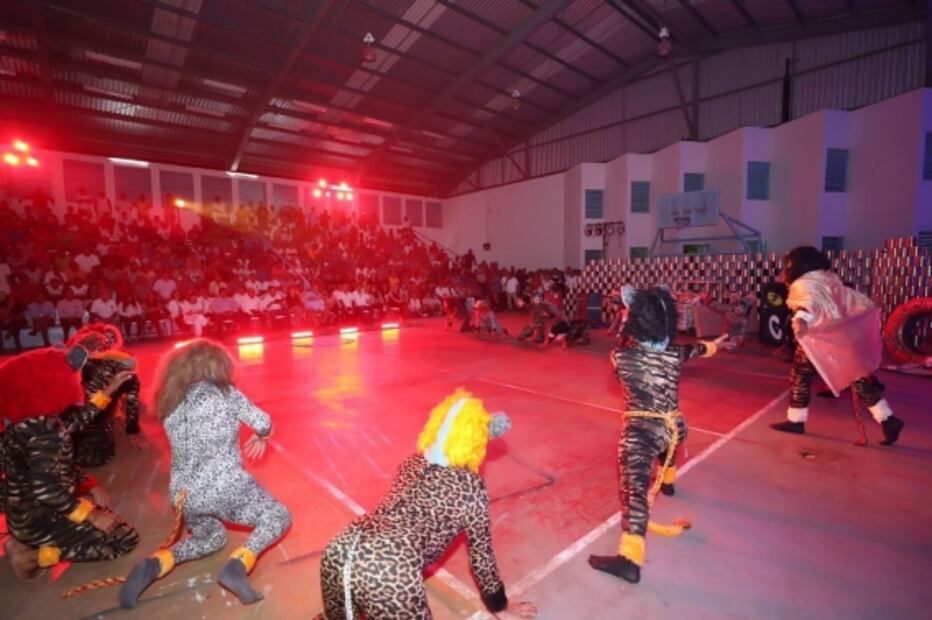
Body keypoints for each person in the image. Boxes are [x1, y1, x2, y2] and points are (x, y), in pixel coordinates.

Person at [316, 389, 537, 620]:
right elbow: (481, 557)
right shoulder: (471, 487)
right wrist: (500, 606)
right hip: (388, 569)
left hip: (341, 547)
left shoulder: (411, 463)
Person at [119, 340, 290, 608]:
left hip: (184, 494)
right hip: (224, 486)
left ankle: (156, 563)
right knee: (278, 516)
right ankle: (238, 565)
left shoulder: (171, 403)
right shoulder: (223, 391)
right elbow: (263, 422)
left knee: (211, 539)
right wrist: (262, 436)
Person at [589, 285, 726, 584]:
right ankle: (669, 482)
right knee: (667, 446)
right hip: (674, 427)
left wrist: (629, 323)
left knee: (634, 491)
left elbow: (624, 351)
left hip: (642, 430)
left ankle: (630, 558)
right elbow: (698, 349)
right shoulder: (675, 353)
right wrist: (715, 345)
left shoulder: (621, 357)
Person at [0, 345, 138, 580]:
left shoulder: (27, 423)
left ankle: (19, 541)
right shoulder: (46, 434)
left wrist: (107, 391)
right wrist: (92, 516)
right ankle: (33, 556)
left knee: (104, 515)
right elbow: (48, 492)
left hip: (23, 515)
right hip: (40, 518)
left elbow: (74, 422)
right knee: (123, 539)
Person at [769, 246, 905, 444]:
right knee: (848, 378)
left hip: (820, 340)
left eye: (790, 263)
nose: (788, 267)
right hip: (836, 337)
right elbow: (850, 299)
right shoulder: (829, 279)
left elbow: (809, 303)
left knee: (807, 377)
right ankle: (887, 419)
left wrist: (800, 319)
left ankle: (797, 421)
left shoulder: (805, 283)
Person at [67, 324, 143, 467]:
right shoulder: (124, 370)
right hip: (93, 446)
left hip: (61, 439)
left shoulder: (67, 365)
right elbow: (132, 403)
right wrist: (132, 430)